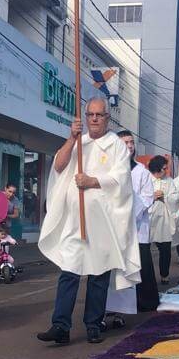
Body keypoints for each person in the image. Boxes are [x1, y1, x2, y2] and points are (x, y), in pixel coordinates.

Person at [36, 96, 140, 344]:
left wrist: (92, 181)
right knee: (69, 272)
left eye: (99, 115)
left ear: (107, 118)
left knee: (98, 274)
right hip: (74, 220)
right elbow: (59, 166)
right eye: (90, 114)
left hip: (103, 222)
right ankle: (60, 326)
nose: (94, 119)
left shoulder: (115, 145)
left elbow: (122, 179)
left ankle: (93, 324)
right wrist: (71, 137)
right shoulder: (78, 142)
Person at [117, 130, 159, 312]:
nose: (129, 146)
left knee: (141, 263)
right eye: (125, 142)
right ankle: (118, 303)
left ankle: (145, 301)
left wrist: (129, 216)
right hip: (115, 226)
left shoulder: (142, 172)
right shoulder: (113, 169)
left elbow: (147, 197)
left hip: (137, 224)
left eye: (131, 142)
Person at [147, 155, 179, 285]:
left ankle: (164, 274)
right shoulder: (146, 179)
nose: (166, 171)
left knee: (165, 248)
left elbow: (175, 197)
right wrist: (152, 196)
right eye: (164, 168)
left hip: (164, 218)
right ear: (156, 168)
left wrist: (165, 197)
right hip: (148, 217)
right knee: (145, 249)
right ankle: (147, 276)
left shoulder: (169, 181)